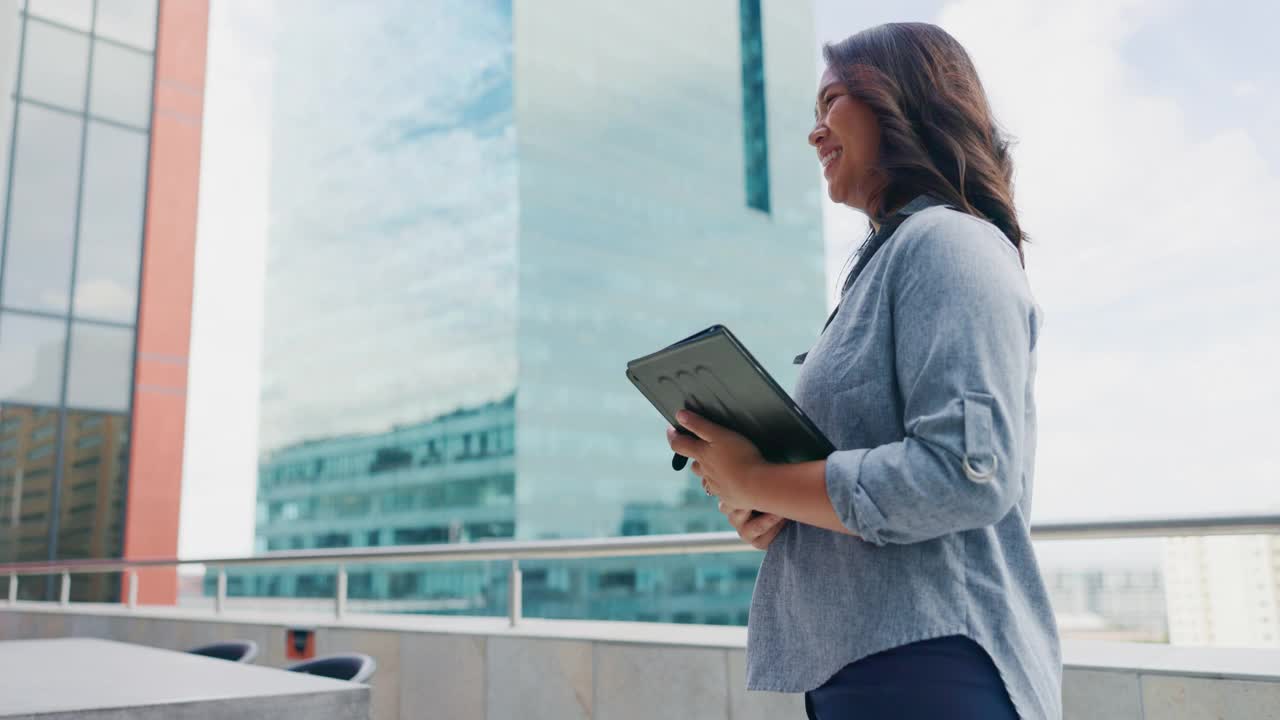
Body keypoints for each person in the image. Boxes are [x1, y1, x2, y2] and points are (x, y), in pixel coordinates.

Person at [665, 22, 1061, 720]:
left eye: (833, 101)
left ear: (903, 100)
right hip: (868, 668)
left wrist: (757, 477)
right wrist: (764, 502)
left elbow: (967, 474)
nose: (815, 132)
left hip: (936, 666)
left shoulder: (951, 242)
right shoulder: (880, 271)